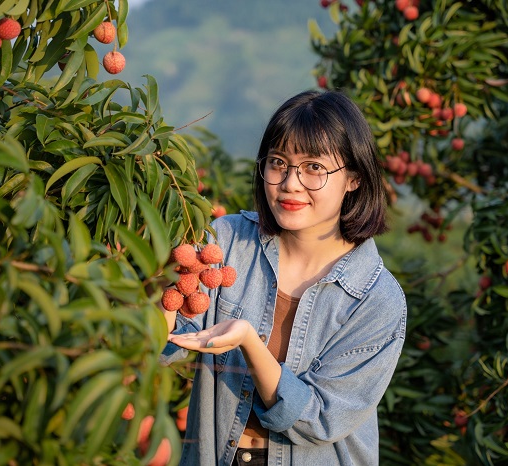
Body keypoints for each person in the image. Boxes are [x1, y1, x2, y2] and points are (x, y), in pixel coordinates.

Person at [160, 89, 407, 466]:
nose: (290, 183)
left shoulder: (376, 298)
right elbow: (168, 341)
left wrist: (248, 341)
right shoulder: (227, 242)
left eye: (314, 167)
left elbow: (319, 420)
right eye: (278, 163)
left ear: (354, 179)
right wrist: (158, 278)